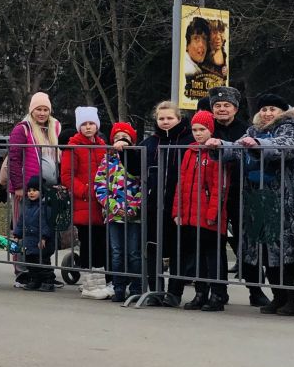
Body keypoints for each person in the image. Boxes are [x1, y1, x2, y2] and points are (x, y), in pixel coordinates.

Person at [216, 93, 294, 316]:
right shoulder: (253, 130)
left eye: (272, 109)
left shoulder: (289, 128)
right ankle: (278, 297)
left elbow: (284, 147)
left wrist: (258, 144)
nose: (267, 113)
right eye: (264, 109)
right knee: (267, 250)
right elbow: (237, 149)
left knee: (288, 251)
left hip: (286, 200)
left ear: (281, 112)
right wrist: (219, 146)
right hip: (259, 199)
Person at [207, 86, 268, 307]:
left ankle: (255, 289)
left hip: (242, 193)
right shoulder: (207, 129)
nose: (222, 109)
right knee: (215, 244)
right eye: (218, 106)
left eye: (227, 105)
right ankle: (218, 291)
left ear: (235, 108)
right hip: (213, 196)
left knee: (247, 243)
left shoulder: (247, 130)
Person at [172, 111, 229, 312]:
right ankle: (201, 292)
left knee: (213, 257)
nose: (198, 133)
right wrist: (177, 210)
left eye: (202, 129)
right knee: (196, 257)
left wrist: (214, 213)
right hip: (190, 215)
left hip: (208, 215)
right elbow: (182, 183)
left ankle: (218, 294)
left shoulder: (216, 152)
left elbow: (219, 187)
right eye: (195, 129)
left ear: (210, 130)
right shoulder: (189, 151)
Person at [7, 93, 62, 286]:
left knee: (43, 231)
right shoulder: (22, 129)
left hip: (46, 189)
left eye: (45, 109)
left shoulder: (54, 128)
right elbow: (13, 159)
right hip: (26, 188)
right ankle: (22, 271)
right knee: (23, 230)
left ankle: (43, 272)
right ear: (32, 110)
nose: (42, 113)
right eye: (38, 109)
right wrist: (20, 186)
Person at [142, 101, 191, 305]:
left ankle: (174, 293)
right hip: (154, 203)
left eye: (170, 118)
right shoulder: (150, 142)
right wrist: (122, 150)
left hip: (178, 204)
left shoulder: (188, 141)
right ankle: (156, 291)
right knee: (153, 247)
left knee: (178, 248)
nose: (165, 122)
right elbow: (136, 168)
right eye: (161, 118)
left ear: (178, 119)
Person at [62, 106, 109, 300]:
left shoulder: (102, 145)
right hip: (84, 203)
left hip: (100, 203)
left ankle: (99, 283)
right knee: (88, 243)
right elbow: (67, 176)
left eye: (91, 124)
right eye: (84, 124)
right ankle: (89, 284)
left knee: (100, 243)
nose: (88, 127)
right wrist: (86, 190)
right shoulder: (72, 147)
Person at [94, 122, 143, 303]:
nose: (121, 142)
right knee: (116, 252)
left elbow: (144, 184)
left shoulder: (138, 159)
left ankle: (137, 287)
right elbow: (100, 185)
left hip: (134, 214)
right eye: (117, 138)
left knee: (133, 253)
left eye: (125, 138)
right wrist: (111, 204)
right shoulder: (108, 160)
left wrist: (135, 205)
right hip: (114, 214)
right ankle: (119, 287)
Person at [12, 175, 55, 291]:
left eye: (35, 190)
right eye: (29, 191)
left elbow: (46, 224)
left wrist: (44, 237)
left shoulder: (45, 207)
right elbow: (21, 222)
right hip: (29, 241)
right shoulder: (27, 207)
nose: (31, 193)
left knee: (43, 262)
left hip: (41, 242)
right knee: (30, 262)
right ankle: (35, 280)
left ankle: (48, 281)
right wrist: (17, 235)